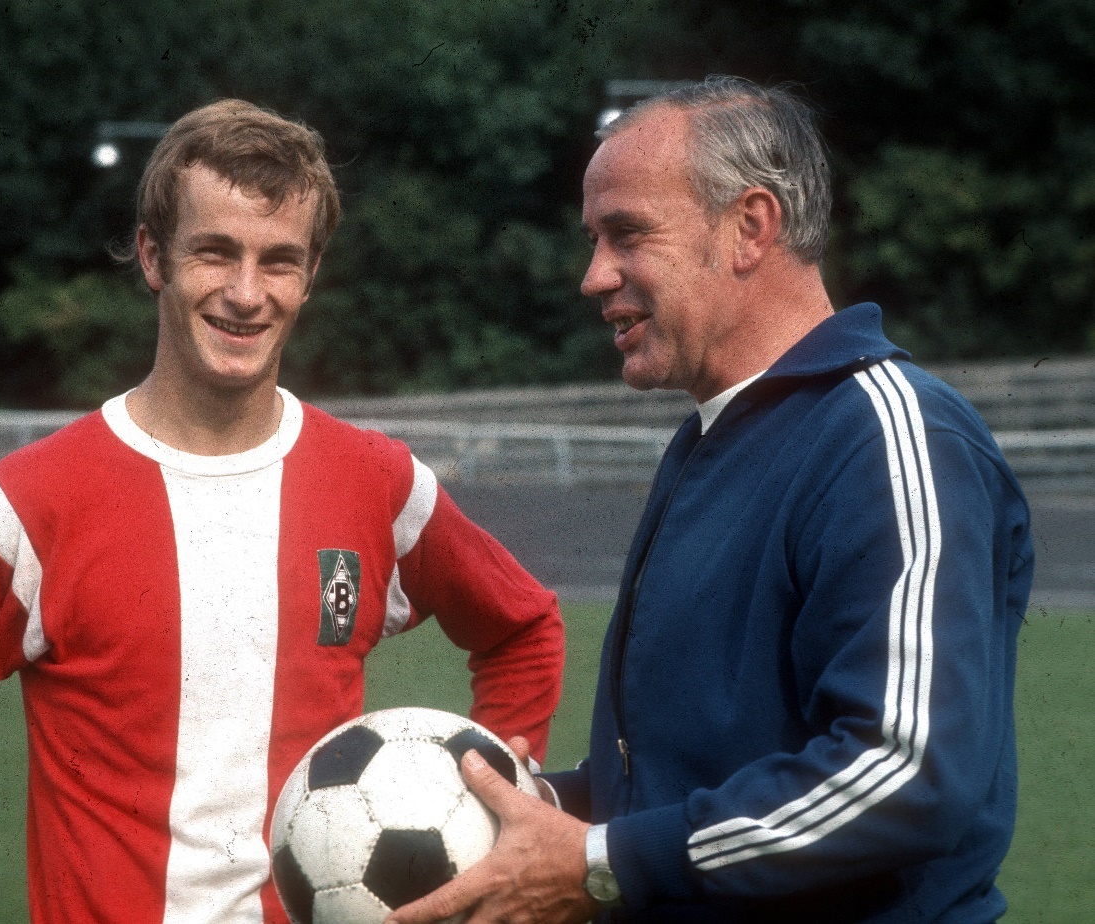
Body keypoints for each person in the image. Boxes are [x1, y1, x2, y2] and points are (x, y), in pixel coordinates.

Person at [0, 99, 565, 924]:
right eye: (214, 253)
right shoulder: (36, 501)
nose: (245, 292)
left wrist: (492, 813)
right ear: (153, 256)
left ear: (312, 274)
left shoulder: (377, 482)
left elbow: (522, 627)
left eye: (279, 260)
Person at [390, 76, 1033, 924]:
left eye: (626, 234)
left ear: (750, 227)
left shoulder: (890, 433)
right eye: (594, 240)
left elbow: (906, 771)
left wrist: (596, 860)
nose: (593, 276)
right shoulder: (709, 440)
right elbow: (679, 782)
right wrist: (520, 806)